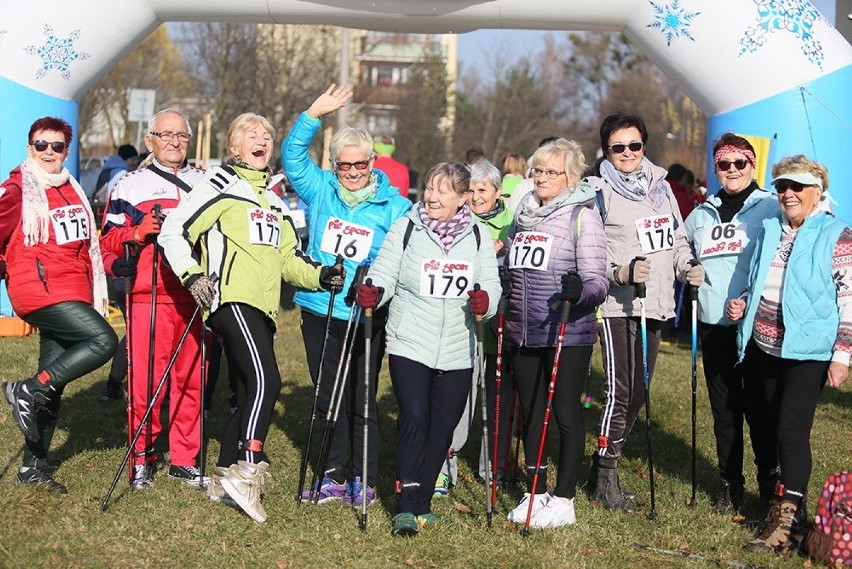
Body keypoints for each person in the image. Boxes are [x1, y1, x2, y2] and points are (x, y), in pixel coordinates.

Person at [159, 112, 345, 523]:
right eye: (251, 135)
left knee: (248, 392)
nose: (261, 140)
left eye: (266, 136)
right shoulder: (221, 184)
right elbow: (173, 231)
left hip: (264, 306)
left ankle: (223, 477)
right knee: (268, 381)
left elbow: (287, 260)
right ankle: (247, 472)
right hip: (229, 298)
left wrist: (320, 275)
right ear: (234, 145)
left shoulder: (273, 200)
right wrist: (191, 275)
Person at [281, 84, 411, 508]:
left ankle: (364, 476)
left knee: (361, 395)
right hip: (323, 305)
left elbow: (403, 253)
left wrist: (376, 283)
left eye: (360, 164)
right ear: (333, 165)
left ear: (373, 162)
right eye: (344, 165)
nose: (352, 171)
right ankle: (333, 472)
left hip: (367, 311)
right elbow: (291, 157)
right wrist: (312, 115)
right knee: (326, 396)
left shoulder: (394, 205)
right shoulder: (320, 189)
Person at [357, 161, 500, 536]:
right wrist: (375, 290)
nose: (432, 197)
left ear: (463, 197)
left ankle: (422, 500)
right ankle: (406, 503)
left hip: (458, 345)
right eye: (431, 188)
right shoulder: (407, 227)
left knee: (443, 427)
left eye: (443, 190)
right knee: (415, 416)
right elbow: (385, 271)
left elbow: (492, 284)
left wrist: (486, 301)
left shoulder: (480, 236)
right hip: (411, 339)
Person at [727, 155, 850, 554]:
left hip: (808, 351)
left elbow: (849, 300)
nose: (788, 194)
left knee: (790, 429)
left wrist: (842, 355)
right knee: (762, 423)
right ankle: (775, 498)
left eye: (797, 186)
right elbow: (758, 278)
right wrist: (744, 302)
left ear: (818, 191)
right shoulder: (770, 230)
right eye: (781, 186)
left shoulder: (837, 235)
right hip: (764, 345)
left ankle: (787, 522)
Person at [587, 111, 704, 512]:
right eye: (617, 147)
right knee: (620, 393)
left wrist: (686, 266)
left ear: (644, 146)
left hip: (654, 304)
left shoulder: (661, 188)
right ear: (606, 150)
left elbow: (677, 238)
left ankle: (604, 463)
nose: (627, 153)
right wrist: (620, 271)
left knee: (638, 395)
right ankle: (604, 478)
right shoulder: (597, 191)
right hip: (618, 306)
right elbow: (587, 255)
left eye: (634, 145)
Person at [0, 116, 118, 493]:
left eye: (57, 146)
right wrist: (10, 269)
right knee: (104, 341)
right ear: (29, 148)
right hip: (39, 290)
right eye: (41, 145)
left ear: (67, 150)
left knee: (55, 383)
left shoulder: (72, 188)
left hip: (73, 290)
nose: (49, 152)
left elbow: (89, 243)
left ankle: (32, 467)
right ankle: (28, 388)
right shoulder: (18, 187)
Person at [502, 139, 608, 528]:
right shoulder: (524, 212)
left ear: (572, 177)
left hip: (567, 329)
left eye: (552, 172)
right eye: (538, 171)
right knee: (531, 413)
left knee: (564, 412)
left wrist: (581, 291)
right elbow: (515, 262)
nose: (542, 178)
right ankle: (536, 491)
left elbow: (599, 281)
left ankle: (565, 499)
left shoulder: (583, 215)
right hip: (523, 327)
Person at [99, 109, 207, 488]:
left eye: (182, 135)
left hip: (194, 295)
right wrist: (137, 232)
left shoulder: (206, 182)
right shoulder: (130, 185)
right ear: (150, 141)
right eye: (166, 134)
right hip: (150, 295)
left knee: (191, 381)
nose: (175, 142)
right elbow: (106, 242)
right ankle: (141, 458)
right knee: (146, 383)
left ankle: (184, 458)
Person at [684, 133, 780, 514]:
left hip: (755, 326)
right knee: (724, 409)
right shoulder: (701, 214)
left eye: (739, 163)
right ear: (716, 168)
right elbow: (680, 249)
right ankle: (730, 484)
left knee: (759, 406)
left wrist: (752, 301)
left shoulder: (769, 207)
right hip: (714, 323)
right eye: (724, 164)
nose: (732, 171)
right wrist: (686, 268)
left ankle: (770, 482)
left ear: (751, 165)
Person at [435, 159, 514, 497]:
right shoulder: (456, 222)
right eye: (471, 190)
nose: (476, 196)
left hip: (501, 327)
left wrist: (506, 251)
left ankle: (494, 468)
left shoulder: (514, 222)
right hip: (461, 327)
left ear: (498, 192)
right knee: (456, 401)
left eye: (484, 190)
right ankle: (442, 466)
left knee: (500, 401)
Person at [92, 144, 139, 225]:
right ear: (125, 160)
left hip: (101, 209)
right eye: (132, 160)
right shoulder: (122, 174)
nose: (135, 163)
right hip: (114, 213)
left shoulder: (108, 169)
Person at [372, 134, 411, 200]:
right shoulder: (403, 170)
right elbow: (404, 197)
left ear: (375, 148)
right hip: (398, 209)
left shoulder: (371, 167)